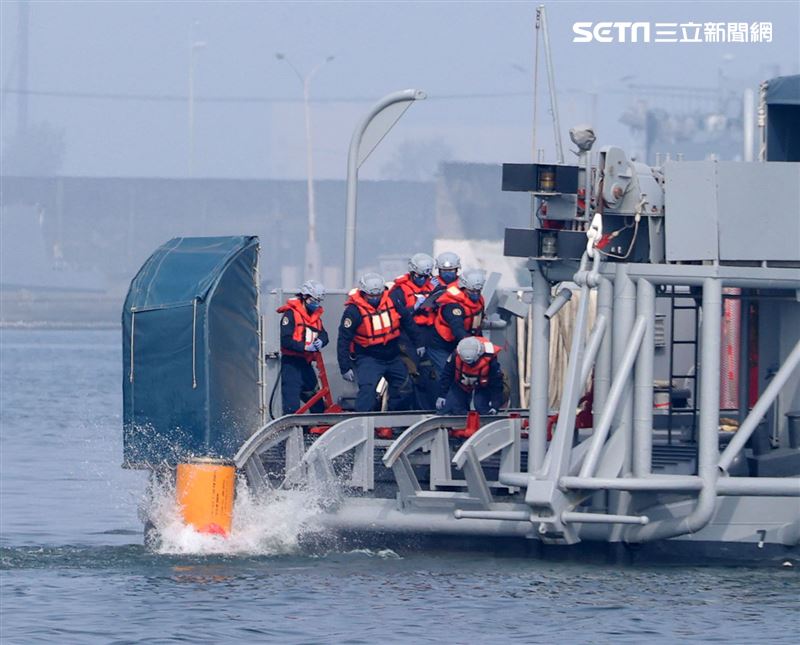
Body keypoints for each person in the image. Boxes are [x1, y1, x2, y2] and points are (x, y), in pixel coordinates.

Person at [338, 272, 424, 412]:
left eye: (377, 295)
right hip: (368, 357)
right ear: (363, 293)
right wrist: (344, 367)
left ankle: (393, 421)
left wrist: (419, 343)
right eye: (371, 296)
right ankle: (361, 423)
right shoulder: (353, 311)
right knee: (368, 389)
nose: (375, 299)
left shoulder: (391, 302)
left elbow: (408, 322)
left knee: (405, 387)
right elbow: (343, 339)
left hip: (392, 355)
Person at [388, 253, 437, 409]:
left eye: (425, 276)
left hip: (428, 335)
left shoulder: (433, 286)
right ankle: (398, 415)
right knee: (407, 378)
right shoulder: (399, 291)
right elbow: (398, 315)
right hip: (406, 337)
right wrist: (414, 307)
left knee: (429, 376)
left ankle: (426, 412)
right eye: (419, 276)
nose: (423, 280)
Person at [277, 280, 329, 414]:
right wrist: (305, 347)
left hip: (306, 364)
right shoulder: (290, 315)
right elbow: (286, 340)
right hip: (291, 364)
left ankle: (317, 427)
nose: (316, 303)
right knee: (291, 403)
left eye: (319, 300)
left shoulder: (315, 317)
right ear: (305, 297)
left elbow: (324, 334)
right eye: (314, 300)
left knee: (317, 401)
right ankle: (290, 432)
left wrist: (321, 342)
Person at [427, 268, 486, 378]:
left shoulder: (479, 301)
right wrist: (471, 345)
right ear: (464, 288)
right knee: (446, 375)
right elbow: (457, 328)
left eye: (478, 291)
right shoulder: (452, 306)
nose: (475, 294)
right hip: (442, 346)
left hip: (462, 343)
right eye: (472, 291)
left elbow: (478, 324)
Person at [436, 336, 504, 415]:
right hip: (461, 384)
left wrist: (495, 404)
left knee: (482, 407)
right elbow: (447, 375)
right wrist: (442, 395)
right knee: (453, 408)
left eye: (472, 362)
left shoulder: (491, 360)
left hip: (483, 386)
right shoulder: (455, 356)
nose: (469, 365)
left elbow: (496, 383)